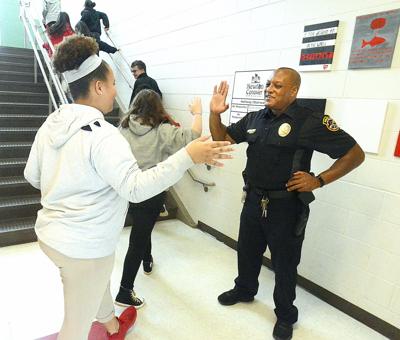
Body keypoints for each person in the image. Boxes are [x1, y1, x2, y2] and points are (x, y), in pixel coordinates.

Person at [24, 35, 233, 340]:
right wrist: (187, 156)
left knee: (99, 277)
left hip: (52, 236)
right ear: (97, 87)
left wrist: (72, 183)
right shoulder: (103, 135)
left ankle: (110, 324)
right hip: (83, 246)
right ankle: (99, 323)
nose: (116, 90)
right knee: (75, 326)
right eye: (111, 84)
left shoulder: (51, 123)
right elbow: (135, 188)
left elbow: (33, 176)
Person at [209, 68, 365, 340]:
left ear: (293, 91)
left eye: (278, 86)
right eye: (269, 84)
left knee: (284, 263)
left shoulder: (310, 121)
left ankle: (284, 314)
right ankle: (245, 290)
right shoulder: (255, 118)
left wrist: (319, 180)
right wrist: (215, 113)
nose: (269, 88)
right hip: (254, 199)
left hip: (286, 207)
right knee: (247, 251)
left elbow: (355, 154)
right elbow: (222, 138)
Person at [115, 90, 203, 308]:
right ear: (158, 107)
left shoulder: (121, 129)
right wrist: (198, 113)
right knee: (140, 235)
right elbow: (193, 138)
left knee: (142, 228)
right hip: (152, 191)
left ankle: (147, 259)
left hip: (126, 189)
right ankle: (125, 291)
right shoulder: (163, 131)